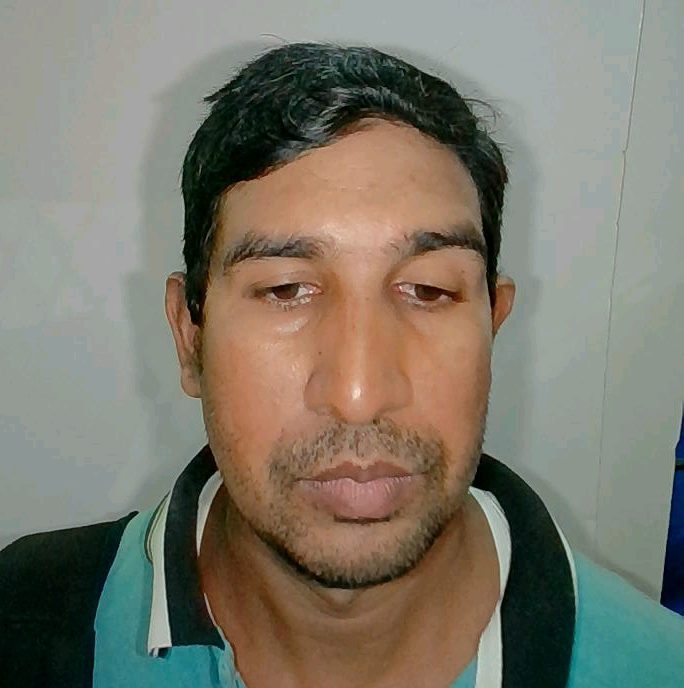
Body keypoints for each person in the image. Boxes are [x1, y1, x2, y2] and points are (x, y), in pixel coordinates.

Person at [1, 42, 682, 688]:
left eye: (429, 291)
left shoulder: (659, 668)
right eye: (285, 290)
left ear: (491, 328)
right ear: (189, 338)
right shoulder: (20, 620)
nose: (359, 393)